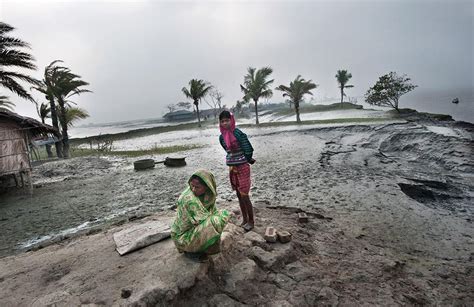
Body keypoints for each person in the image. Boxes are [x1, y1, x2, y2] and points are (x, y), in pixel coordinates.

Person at [171, 170, 230, 259]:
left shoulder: (207, 195)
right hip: (183, 238)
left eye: (197, 187)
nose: (193, 189)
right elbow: (205, 222)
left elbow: (212, 211)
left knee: (220, 215)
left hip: (192, 229)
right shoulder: (190, 200)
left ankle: (203, 247)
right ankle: (190, 250)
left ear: (207, 186)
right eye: (192, 185)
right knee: (218, 220)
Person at [219, 110, 256, 231]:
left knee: (245, 195)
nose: (225, 123)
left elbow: (248, 148)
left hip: (242, 167)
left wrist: (248, 159)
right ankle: (244, 219)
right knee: (239, 195)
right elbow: (227, 150)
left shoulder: (238, 133)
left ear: (232, 120)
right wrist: (234, 159)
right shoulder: (221, 137)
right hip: (232, 167)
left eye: (227, 120)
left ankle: (251, 221)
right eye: (222, 121)